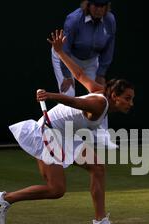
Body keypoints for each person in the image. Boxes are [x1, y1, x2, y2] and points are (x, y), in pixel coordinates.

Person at [0, 29, 135, 224]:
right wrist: (50, 95)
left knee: (97, 167)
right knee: (56, 189)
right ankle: (4, 199)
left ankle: (100, 222)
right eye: (127, 98)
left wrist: (59, 52)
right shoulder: (98, 103)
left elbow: (79, 74)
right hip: (48, 133)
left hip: (66, 135)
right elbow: (74, 101)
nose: (131, 103)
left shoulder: (98, 91)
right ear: (114, 95)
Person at [51, 0, 117, 149]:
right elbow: (65, 49)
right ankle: (66, 137)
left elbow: (109, 47)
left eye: (102, 6)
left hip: (91, 60)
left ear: (107, 7)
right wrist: (67, 75)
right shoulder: (74, 19)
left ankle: (101, 136)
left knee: (102, 94)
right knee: (69, 93)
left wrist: (102, 72)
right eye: (95, 5)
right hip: (66, 57)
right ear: (88, 5)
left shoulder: (110, 20)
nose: (99, 9)